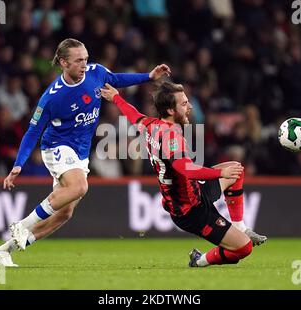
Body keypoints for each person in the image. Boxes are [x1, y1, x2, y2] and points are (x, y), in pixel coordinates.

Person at [0, 38, 171, 267]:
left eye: (85, 59)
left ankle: (4, 251)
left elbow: (116, 79)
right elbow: (32, 131)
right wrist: (18, 164)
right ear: (64, 63)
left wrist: (149, 77)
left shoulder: (96, 72)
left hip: (80, 153)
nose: (84, 64)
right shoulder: (52, 97)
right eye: (78, 61)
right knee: (79, 186)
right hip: (57, 146)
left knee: (65, 213)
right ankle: (22, 225)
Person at [100, 82, 267, 267]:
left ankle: (239, 226)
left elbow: (133, 115)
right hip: (191, 211)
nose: (190, 107)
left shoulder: (151, 125)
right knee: (244, 249)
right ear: (171, 110)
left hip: (195, 191)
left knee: (236, 170)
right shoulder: (170, 137)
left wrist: (116, 97)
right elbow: (185, 168)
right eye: (185, 104)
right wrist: (220, 172)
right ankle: (200, 260)